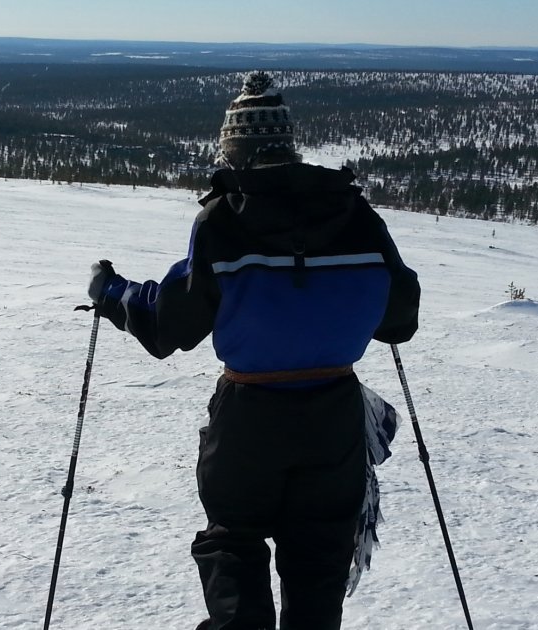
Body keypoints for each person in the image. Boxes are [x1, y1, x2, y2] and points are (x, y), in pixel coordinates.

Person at [86, 72, 420, 630]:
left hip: (249, 414)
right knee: (317, 558)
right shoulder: (355, 214)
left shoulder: (224, 219)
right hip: (334, 412)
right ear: (287, 144)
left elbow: (171, 322)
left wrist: (112, 293)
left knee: (234, 542)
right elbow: (399, 320)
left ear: (235, 149)